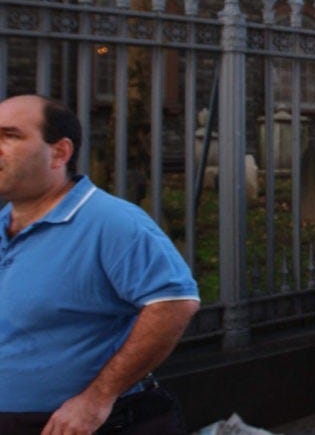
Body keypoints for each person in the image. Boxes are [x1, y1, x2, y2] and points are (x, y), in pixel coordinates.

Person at [0, 94, 199, 434]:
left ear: (59, 153)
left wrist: (96, 399)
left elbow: (174, 303)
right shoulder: (6, 222)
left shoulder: (111, 221)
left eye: (10, 135)